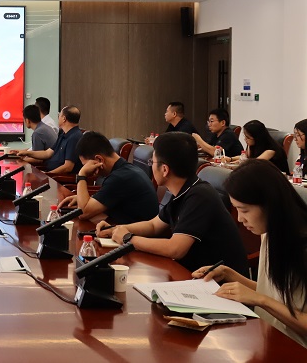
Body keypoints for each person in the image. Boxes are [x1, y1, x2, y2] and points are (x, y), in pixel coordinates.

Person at [192, 159, 307, 348]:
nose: (240, 218)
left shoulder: (301, 245)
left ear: (270, 204)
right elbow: (274, 293)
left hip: (294, 348)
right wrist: (229, 274)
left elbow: (268, 299)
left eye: (244, 210)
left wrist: (261, 301)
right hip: (266, 337)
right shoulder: (270, 233)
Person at [97, 132, 248, 274]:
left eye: (152, 162)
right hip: (193, 274)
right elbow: (154, 226)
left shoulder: (200, 196)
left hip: (219, 284)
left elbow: (175, 249)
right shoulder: (185, 189)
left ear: (164, 169)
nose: (151, 166)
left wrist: (128, 239)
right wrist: (117, 229)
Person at [58, 132, 158, 224]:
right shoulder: (125, 170)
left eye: (85, 165)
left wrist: (81, 175)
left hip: (136, 236)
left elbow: (83, 213)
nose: (86, 169)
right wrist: (83, 198)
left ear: (99, 159)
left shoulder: (120, 178)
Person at [29, 106, 84, 174]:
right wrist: (26, 153)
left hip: (59, 177)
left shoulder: (74, 137)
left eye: (59, 115)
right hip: (51, 172)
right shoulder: (63, 134)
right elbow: (47, 153)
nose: (58, 117)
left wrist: (48, 174)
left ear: (64, 119)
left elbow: (68, 167)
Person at [222, 120, 289, 173]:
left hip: (277, 179)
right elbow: (246, 157)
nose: (245, 139)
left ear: (257, 137)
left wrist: (236, 165)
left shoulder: (271, 150)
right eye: (245, 136)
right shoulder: (254, 145)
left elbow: (254, 164)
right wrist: (231, 159)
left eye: (248, 137)